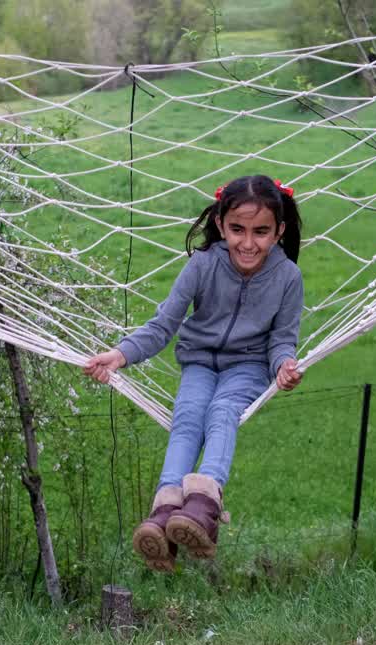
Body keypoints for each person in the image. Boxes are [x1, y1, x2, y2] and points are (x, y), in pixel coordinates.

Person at [84, 174, 305, 572]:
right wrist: (119, 355)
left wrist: (283, 369)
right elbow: (162, 325)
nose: (248, 243)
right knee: (186, 420)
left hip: (250, 366)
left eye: (261, 232)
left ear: (279, 231)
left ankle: (204, 507)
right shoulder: (202, 266)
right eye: (237, 230)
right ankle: (165, 514)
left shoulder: (288, 277)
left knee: (222, 412)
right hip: (200, 362)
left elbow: (282, 341)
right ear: (220, 224)